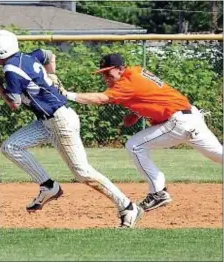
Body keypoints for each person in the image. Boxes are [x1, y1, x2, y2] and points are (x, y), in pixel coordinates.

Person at [0, 30, 144, 228]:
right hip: (46, 121)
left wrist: (0, 87)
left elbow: (14, 105)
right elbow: (49, 55)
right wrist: (52, 75)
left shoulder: (10, 70)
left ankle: (127, 206)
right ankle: (48, 186)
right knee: (10, 147)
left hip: (61, 121)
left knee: (83, 172)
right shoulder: (27, 56)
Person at [64, 53, 223, 212]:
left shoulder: (126, 83)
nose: (105, 77)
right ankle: (158, 192)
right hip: (191, 116)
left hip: (178, 122)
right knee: (217, 155)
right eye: (102, 74)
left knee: (134, 146)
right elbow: (150, 93)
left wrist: (67, 94)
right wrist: (137, 113)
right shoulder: (137, 71)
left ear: (120, 69)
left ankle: (158, 193)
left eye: (108, 73)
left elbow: (100, 99)